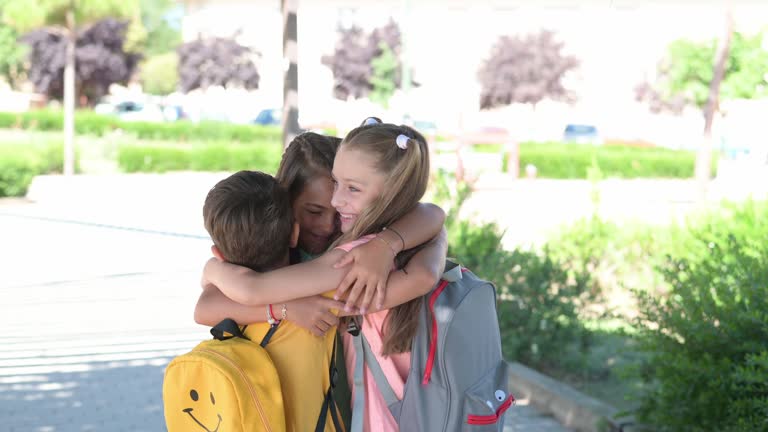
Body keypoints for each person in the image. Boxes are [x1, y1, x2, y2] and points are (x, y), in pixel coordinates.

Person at [202, 119, 445, 431]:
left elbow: (431, 225)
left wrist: (213, 268)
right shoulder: (265, 247)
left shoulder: (355, 256)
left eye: (351, 189)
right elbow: (207, 307)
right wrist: (285, 309)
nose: (333, 210)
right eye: (315, 211)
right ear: (287, 207)